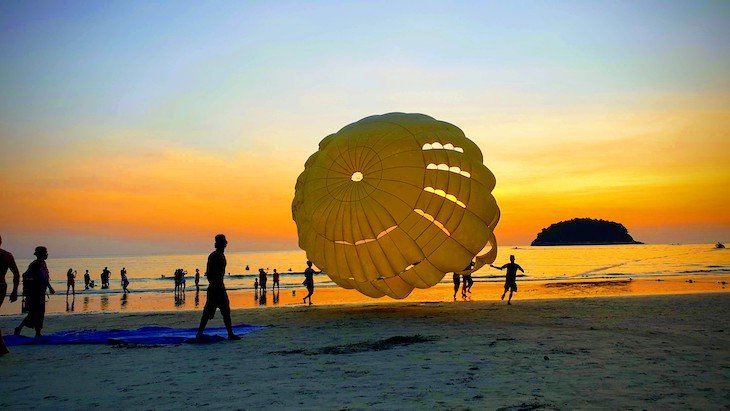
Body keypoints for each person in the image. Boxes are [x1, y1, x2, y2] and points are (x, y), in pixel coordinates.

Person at [196, 234, 240, 340]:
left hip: (220, 286)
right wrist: (215, 286)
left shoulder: (220, 255)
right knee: (207, 312)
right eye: (224, 241)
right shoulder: (214, 256)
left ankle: (230, 334)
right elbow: (210, 274)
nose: (226, 242)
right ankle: (199, 333)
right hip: (215, 288)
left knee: (226, 311)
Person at [15, 246, 55, 338]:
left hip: (41, 292)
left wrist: (50, 287)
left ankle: (38, 332)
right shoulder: (34, 265)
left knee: (41, 313)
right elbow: (26, 276)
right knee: (33, 313)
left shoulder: (43, 263)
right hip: (34, 293)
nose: (46, 254)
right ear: (40, 254)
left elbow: (45, 278)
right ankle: (19, 328)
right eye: (45, 253)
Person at [1, 235, 21, 355]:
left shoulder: (7, 255)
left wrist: (15, 291)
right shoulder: (7, 255)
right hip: (2, 286)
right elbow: (16, 274)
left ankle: (2, 347)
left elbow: (17, 274)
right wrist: (14, 291)